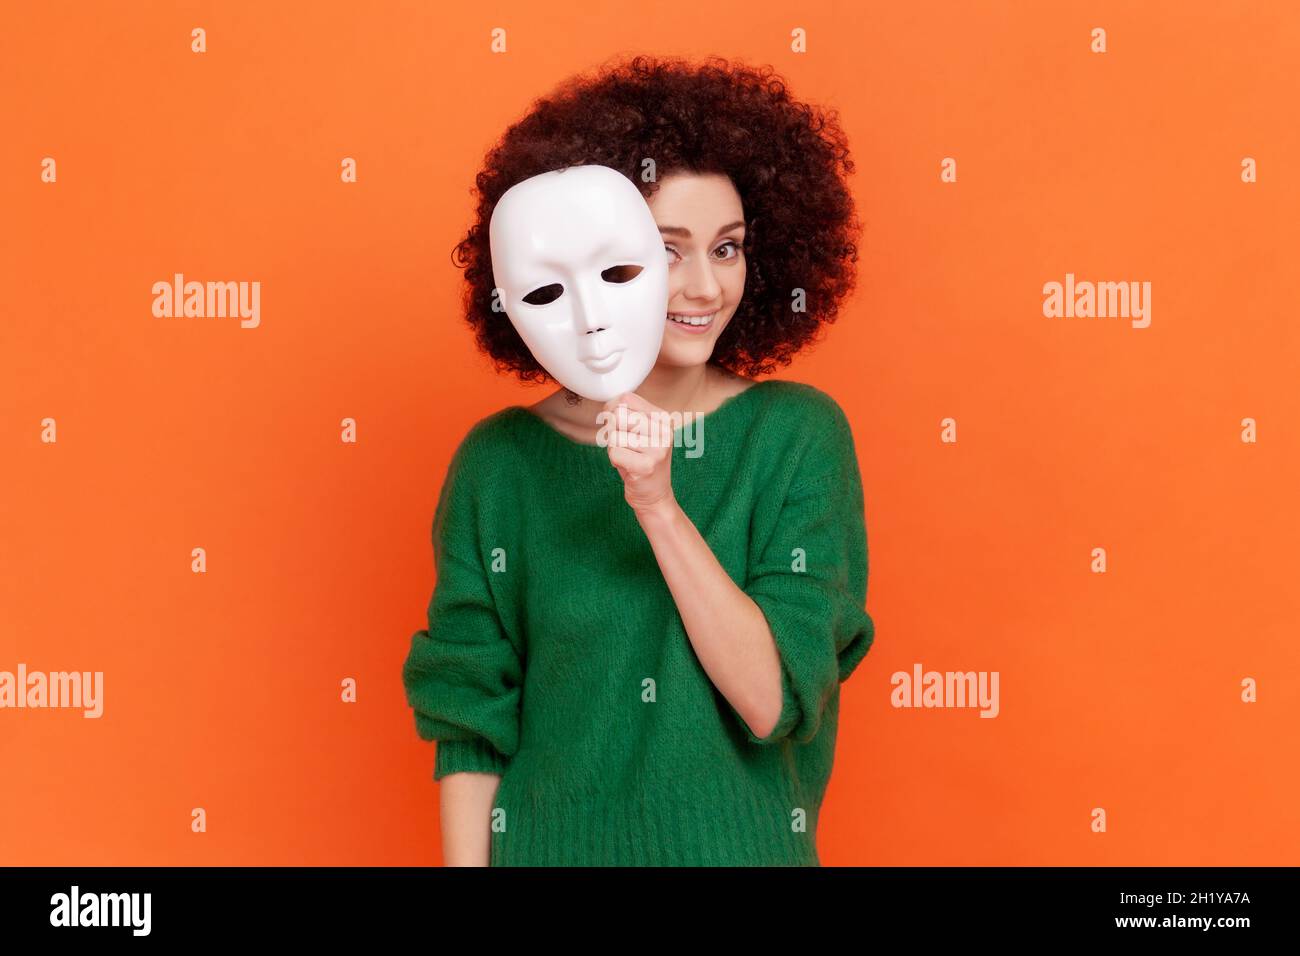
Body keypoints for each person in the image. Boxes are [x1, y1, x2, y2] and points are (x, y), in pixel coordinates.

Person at [402, 53, 876, 866]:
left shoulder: (797, 438)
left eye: (727, 249)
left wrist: (657, 502)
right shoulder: (499, 465)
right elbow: (470, 722)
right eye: (666, 250)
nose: (704, 287)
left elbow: (769, 702)